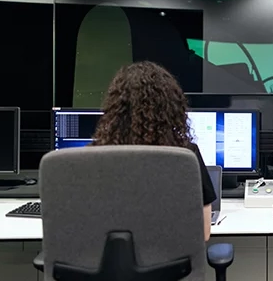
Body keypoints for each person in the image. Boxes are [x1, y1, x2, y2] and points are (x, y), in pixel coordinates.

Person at [91, 61, 216, 241]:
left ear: (114, 108)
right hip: (170, 267)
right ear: (171, 107)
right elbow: (203, 233)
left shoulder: (92, 159)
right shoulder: (185, 157)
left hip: (107, 266)